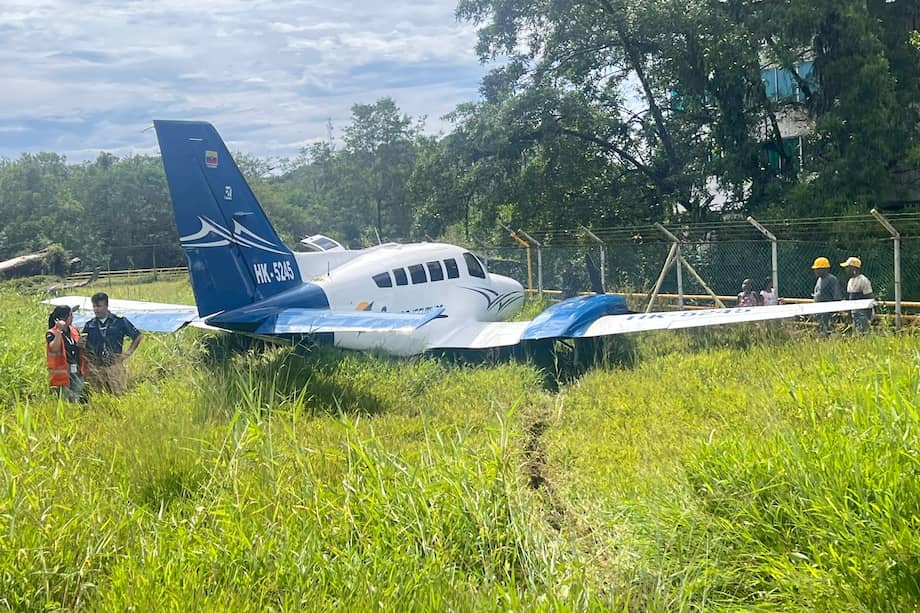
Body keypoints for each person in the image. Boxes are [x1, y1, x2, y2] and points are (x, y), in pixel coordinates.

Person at [82, 292, 142, 395]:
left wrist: (127, 353)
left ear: (106, 306)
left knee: (118, 395)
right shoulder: (89, 325)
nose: (96, 309)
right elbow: (84, 344)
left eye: (99, 306)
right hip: (96, 367)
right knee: (99, 396)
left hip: (114, 365)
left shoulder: (119, 321)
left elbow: (138, 336)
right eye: (94, 306)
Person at [45, 305, 86, 402]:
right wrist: (59, 330)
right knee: (65, 399)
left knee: (77, 396)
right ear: (64, 318)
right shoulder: (52, 333)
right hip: (62, 372)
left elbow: (75, 347)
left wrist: (80, 344)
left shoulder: (74, 330)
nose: (73, 318)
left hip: (76, 370)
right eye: (71, 315)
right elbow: (54, 348)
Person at [841, 256, 874, 334]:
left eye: (848, 267)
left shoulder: (863, 280)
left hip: (863, 313)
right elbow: (850, 299)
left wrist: (869, 316)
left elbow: (869, 297)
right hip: (854, 313)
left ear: (854, 268)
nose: (846, 269)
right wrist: (849, 314)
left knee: (863, 333)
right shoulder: (850, 281)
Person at [812, 256, 842, 335]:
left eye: (818, 269)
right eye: (815, 269)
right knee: (821, 331)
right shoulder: (819, 280)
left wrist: (834, 312)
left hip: (828, 313)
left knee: (827, 332)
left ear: (825, 269)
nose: (816, 271)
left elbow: (837, 296)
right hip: (820, 312)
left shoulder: (832, 279)